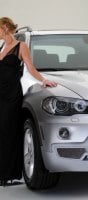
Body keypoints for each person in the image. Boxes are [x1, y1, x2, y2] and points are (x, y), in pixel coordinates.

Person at [0, 17, 57, 186]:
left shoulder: (21, 46)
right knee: (1, 132)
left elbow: (30, 67)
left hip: (11, 95)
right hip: (0, 94)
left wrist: (43, 81)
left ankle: (11, 175)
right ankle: (2, 173)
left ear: (4, 28)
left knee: (9, 131)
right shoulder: (1, 47)